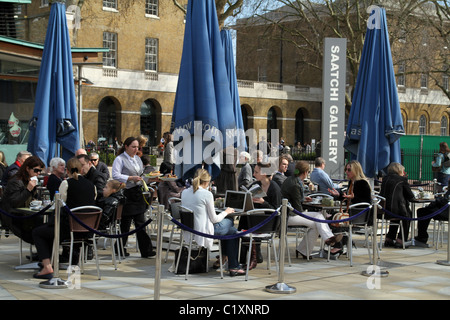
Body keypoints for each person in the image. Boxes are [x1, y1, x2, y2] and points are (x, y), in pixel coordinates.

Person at [32, 157, 96, 279]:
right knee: (49, 230)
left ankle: (47, 266)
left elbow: (59, 204)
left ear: (68, 170)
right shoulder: (91, 185)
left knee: (38, 232)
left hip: (69, 228)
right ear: (82, 169)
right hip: (87, 229)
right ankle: (51, 262)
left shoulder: (66, 183)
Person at [181, 169, 245, 276]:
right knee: (230, 222)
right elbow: (214, 219)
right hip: (204, 231)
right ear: (207, 182)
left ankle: (225, 259)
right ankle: (232, 265)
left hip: (189, 229)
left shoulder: (184, 192)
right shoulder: (207, 194)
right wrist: (226, 212)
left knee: (231, 231)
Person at [281, 160, 343, 258]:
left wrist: (303, 198)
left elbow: (294, 197)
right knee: (318, 218)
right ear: (305, 172)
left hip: (287, 213)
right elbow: (298, 208)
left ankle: (304, 250)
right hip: (290, 215)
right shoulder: (296, 184)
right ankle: (328, 239)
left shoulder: (291, 179)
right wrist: (302, 200)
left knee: (317, 223)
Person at [112, 136, 155, 258]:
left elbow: (141, 175)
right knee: (125, 224)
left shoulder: (137, 159)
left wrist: (152, 179)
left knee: (141, 222)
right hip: (127, 193)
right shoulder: (119, 159)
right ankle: (119, 248)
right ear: (126, 146)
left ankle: (146, 250)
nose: (136, 149)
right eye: (133, 147)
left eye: (137, 147)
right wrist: (130, 178)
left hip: (138, 193)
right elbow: (115, 175)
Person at [0, 156, 45, 244]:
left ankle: (44, 254)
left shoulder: (30, 180)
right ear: (28, 168)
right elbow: (15, 202)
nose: (38, 173)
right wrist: (28, 189)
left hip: (26, 214)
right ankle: (44, 254)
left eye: (40, 171)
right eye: (36, 170)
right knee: (41, 230)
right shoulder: (16, 181)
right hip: (14, 217)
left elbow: (35, 198)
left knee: (46, 226)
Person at [380, 162, 415, 248]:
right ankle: (401, 239)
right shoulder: (402, 180)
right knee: (407, 215)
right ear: (399, 170)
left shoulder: (385, 179)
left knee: (396, 215)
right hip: (396, 210)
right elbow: (410, 196)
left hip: (383, 210)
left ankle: (389, 238)